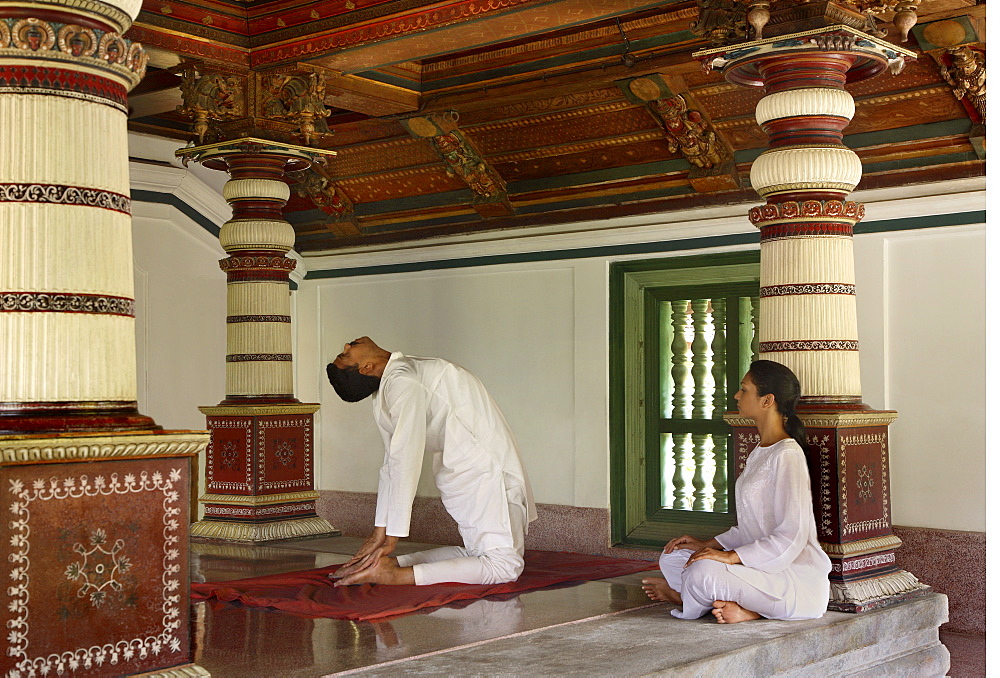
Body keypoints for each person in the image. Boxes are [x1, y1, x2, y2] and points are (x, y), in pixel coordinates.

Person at [326, 337, 536, 587]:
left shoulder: (395, 380)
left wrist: (383, 533)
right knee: (504, 566)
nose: (347, 346)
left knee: (481, 555)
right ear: (366, 368)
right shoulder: (402, 381)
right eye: (345, 355)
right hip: (481, 471)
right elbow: (400, 461)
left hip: (468, 470)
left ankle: (393, 565)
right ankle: (392, 575)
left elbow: (394, 462)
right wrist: (388, 534)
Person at [641, 359, 831, 623]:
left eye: (744, 389)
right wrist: (707, 545)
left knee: (703, 572)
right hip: (758, 571)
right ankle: (742, 608)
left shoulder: (787, 454)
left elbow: (792, 536)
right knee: (676, 556)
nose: (736, 395)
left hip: (790, 579)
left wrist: (730, 557)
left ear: (767, 400)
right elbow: (750, 529)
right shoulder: (761, 451)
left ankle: (683, 597)